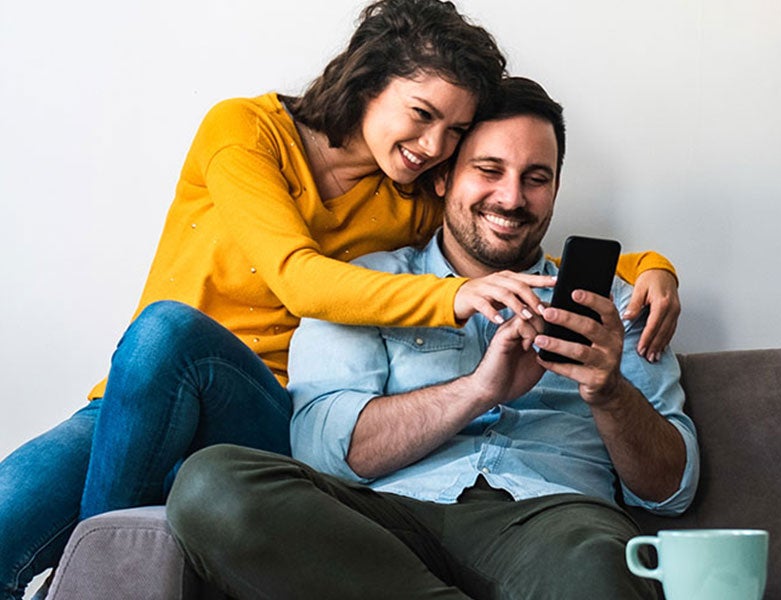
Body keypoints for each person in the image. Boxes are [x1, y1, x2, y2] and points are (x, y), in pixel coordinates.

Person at [0, 2, 682, 597]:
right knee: (158, 344)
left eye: (451, 134)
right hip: (158, 393)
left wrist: (650, 270)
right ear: (369, 80)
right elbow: (302, 278)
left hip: (270, 414)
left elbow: (502, 230)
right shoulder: (248, 133)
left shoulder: (409, 197)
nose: (430, 148)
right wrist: (457, 309)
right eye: (422, 117)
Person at [167, 76, 698, 600]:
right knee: (212, 485)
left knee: (594, 572)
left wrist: (609, 393)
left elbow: (672, 492)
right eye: (489, 170)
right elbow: (319, 450)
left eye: (536, 178)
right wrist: (477, 391)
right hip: (381, 525)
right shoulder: (368, 285)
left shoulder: (621, 304)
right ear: (442, 177)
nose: (511, 198)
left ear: (556, 190)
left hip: (554, 523)